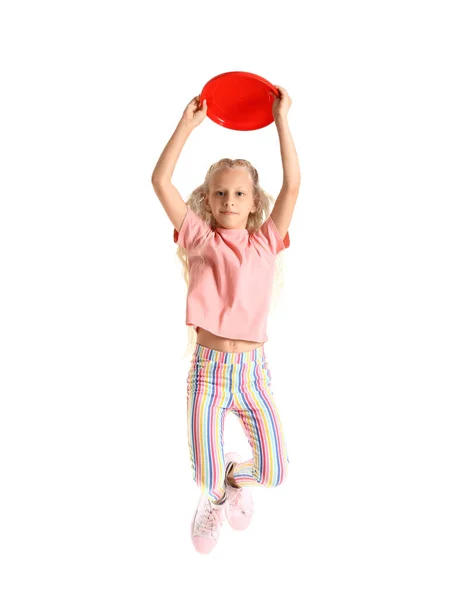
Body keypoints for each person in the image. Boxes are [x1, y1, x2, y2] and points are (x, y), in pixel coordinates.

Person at [151, 86, 301, 554]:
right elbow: (160, 182)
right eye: (220, 193)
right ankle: (215, 494)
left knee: (275, 472)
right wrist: (187, 125)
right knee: (204, 476)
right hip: (209, 373)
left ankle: (235, 478)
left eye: (239, 193)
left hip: (254, 374)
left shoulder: (266, 241)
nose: (230, 199)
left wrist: (282, 121)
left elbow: (293, 185)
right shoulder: (198, 238)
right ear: (208, 200)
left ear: (254, 201)